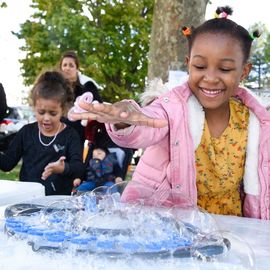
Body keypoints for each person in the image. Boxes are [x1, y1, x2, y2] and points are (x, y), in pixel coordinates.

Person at [69, 6, 270, 220]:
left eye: (225, 69)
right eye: (200, 66)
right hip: (173, 223)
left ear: (244, 71)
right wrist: (125, 119)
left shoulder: (256, 120)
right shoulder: (172, 106)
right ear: (188, 64)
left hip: (232, 224)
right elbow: (147, 123)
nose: (210, 77)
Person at [0, 71, 85, 195]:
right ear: (34, 107)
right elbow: (7, 164)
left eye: (53, 113)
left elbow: (79, 169)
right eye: (41, 112)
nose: (46, 118)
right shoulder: (26, 133)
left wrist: (63, 168)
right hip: (27, 201)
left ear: (63, 109)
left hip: (57, 205)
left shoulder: (70, 136)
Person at [59, 50, 103, 146]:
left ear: (77, 68)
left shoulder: (87, 84)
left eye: (71, 65)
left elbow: (99, 105)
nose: (67, 68)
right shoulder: (57, 86)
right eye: (64, 65)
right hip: (58, 129)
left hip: (78, 131)